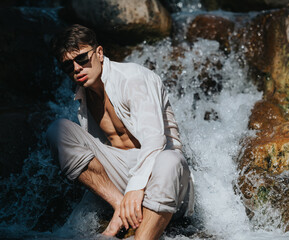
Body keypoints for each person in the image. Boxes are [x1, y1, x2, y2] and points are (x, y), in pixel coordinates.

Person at [46, 24, 194, 239]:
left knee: (169, 160)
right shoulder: (84, 94)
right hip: (123, 180)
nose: (77, 68)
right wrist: (124, 199)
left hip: (167, 180)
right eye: (68, 66)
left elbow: (155, 141)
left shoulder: (133, 78)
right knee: (58, 130)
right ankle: (120, 208)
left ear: (99, 52)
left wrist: (136, 188)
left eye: (82, 59)